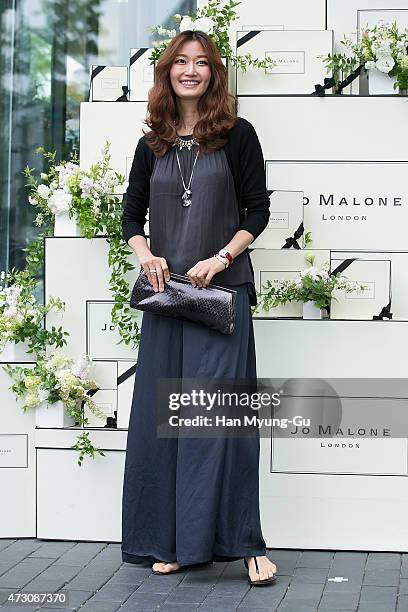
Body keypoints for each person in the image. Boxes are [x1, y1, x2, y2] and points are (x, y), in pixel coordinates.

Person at [120, 28, 278, 586]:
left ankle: (247, 544)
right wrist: (147, 255)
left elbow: (257, 211)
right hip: (168, 300)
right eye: (181, 62)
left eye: (202, 63)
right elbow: (129, 217)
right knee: (166, 424)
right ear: (167, 73)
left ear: (214, 73)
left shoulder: (238, 135)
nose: (191, 70)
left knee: (220, 423)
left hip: (221, 296)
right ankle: (172, 542)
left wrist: (220, 257)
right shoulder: (152, 142)